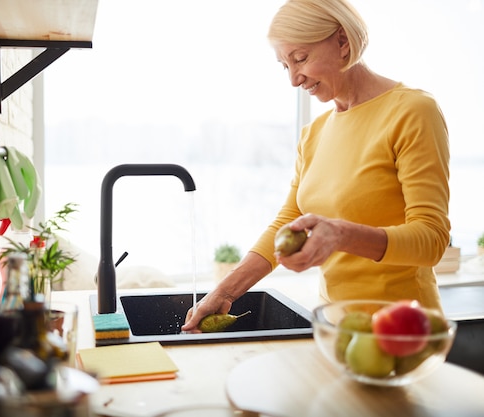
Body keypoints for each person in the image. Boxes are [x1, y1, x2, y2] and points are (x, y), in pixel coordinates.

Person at [182, 0, 450, 331]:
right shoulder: (315, 133)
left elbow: (432, 239)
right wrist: (224, 292)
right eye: (285, 66)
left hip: (405, 329)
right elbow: (287, 221)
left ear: (342, 41)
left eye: (301, 59)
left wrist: (340, 234)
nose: (295, 79)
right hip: (336, 326)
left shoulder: (412, 111)